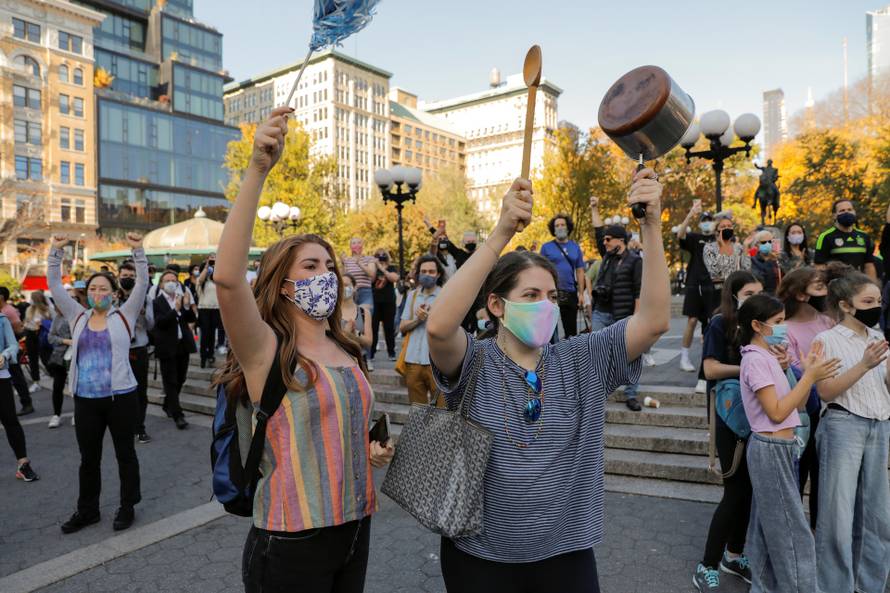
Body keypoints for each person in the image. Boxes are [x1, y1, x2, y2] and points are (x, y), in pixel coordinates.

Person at [424, 168, 669, 592]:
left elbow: (653, 321)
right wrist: (500, 233)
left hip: (565, 555)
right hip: (479, 557)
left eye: (552, 296)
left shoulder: (582, 358)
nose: (546, 305)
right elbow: (439, 328)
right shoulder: (474, 362)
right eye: (531, 296)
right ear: (497, 306)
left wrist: (650, 227)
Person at [213, 107, 393, 593]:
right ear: (283, 283)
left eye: (329, 266)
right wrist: (257, 170)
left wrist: (378, 447)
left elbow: (357, 422)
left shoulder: (347, 347)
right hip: (290, 539)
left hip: (356, 526)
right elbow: (227, 280)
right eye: (311, 266)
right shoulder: (266, 350)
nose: (326, 276)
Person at [737, 294, 841, 593]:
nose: (784, 329)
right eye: (778, 322)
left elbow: (792, 406)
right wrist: (810, 375)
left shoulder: (766, 357)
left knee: (769, 530)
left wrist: (797, 370)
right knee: (792, 535)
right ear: (757, 325)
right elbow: (778, 411)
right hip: (770, 449)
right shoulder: (755, 360)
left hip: (778, 449)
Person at [48, 232, 147, 534]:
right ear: (86, 293)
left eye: (104, 288)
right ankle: (87, 510)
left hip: (120, 398)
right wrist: (56, 252)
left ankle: (127, 506)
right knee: (88, 459)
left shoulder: (125, 315)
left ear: (115, 294)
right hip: (86, 400)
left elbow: (142, 283)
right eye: (93, 288)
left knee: (125, 454)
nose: (98, 292)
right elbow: (53, 284)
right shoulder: (77, 315)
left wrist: (138, 250)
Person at [812, 271, 890, 593]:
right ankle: (833, 587)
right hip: (843, 424)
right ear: (846, 305)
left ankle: (870, 585)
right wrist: (864, 365)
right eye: (868, 302)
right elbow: (826, 392)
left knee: (878, 515)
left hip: (880, 423)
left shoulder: (878, 337)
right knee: (837, 517)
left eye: (879, 301)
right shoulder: (826, 340)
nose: (876, 307)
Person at [693, 270, 762, 591]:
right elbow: (709, 368)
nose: (755, 298)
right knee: (734, 490)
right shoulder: (721, 323)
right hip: (730, 415)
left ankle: (733, 556)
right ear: (734, 295)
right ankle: (707, 563)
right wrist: (750, 366)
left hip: (759, 414)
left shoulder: (761, 326)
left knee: (748, 492)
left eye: (759, 292)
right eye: (749, 293)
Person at [776, 266, 832, 526]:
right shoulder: (785, 329)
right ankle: (794, 533)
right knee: (797, 476)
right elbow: (794, 373)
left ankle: (819, 532)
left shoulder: (828, 321)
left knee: (822, 478)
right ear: (800, 294)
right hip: (804, 412)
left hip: (829, 408)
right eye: (819, 287)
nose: (826, 291)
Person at [589, 197, 644, 410]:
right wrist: (595, 207)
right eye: (604, 240)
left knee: (631, 354)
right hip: (601, 311)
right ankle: (597, 392)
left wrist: (637, 317)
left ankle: (631, 394)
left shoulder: (635, 261)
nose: (604, 242)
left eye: (608, 239)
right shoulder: (607, 257)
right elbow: (597, 230)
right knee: (597, 351)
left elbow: (638, 290)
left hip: (624, 315)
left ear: (620, 240)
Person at [399, 255, 445, 408]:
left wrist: (433, 317)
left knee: (441, 412)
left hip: (437, 364)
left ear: (438, 274)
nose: (427, 275)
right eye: (424, 271)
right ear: (418, 274)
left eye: (431, 271)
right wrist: (417, 320)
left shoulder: (445, 295)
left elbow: (452, 329)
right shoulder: (412, 296)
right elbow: (402, 327)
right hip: (413, 361)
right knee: (417, 412)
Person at [676, 200, 717, 373]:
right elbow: (680, 235)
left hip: (713, 287)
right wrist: (690, 215)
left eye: (709, 219)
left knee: (712, 324)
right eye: (703, 220)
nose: (706, 222)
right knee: (692, 321)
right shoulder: (695, 238)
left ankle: (709, 358)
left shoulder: (720, 239)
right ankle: (684, 357)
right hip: (694, 285)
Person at [152, 270, 195, 430]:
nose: (170, 282)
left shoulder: (181, 298)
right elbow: (160, 323)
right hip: (166, 347)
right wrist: (174, 310)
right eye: (167, 280)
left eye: (173, 280)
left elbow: (191, 319)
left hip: (182, 346)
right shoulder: (157, 302)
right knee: (170, 381)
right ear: (162, 283)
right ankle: (178, 415)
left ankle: (167, 404)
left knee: (181, 378)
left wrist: (185, 306)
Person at [0, 308, 38, 482]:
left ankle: (23, 464)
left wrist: (5, 355)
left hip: (1, 377)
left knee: (10, 420)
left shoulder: (2, 319)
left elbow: (13, 345)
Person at [118, 262, 154, 444]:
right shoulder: (112, 299)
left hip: (138, 348)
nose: (127, 279)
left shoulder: (144, 299)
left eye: (131, 277)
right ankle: (123, 425)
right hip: (119, 350)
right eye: (124, 276)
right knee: (120, 389)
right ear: (118, 277)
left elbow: (151, 324)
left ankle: (140, 427)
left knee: (140, 390)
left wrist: (142, 313)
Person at [540, 213, 586, 339]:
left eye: (562, 225)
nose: (560, 227)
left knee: (571, 332)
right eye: (557, 225)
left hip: (570, 292)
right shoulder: (546, 248)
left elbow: (580, 270)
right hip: (550, 293)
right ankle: (550, 356)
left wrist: (581, 293)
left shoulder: (575, 247)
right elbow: (540, 270)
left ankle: (571, 356)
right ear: (553, 229)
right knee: (549, 331)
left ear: (567, 227)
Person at [814, 199, 877, 279]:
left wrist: (873, 285)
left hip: (860, 285)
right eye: (842, 211)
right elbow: (819, 267)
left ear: (854, 212)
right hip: (836, 286)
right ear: (834, 215)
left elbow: (869, 265)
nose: (847, 213)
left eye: (849, 210)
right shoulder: (825, 237)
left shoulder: (864, 236)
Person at [342, 237, 377, 371]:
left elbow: (372, 275)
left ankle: (367, 357)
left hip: (365, 292)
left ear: (363, 245)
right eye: (353, 243)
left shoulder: (369, 259)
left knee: (364, 322)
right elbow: (344, 277)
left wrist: (360, 263)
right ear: (350, 246)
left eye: (358, 242)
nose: (356, 245)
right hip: (350, 294)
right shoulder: (347, 260)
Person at [0, 287, 33, 415]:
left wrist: (7, 334)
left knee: (17, 378)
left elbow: (19, 329)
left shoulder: (8, 311)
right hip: (7, 349)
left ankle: (27, 403)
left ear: (1, 297)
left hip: (10, 350)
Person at [46, 301, 73, 429]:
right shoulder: (57, 317)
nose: (56, 308)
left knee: (75, 386)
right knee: (57, 386)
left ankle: (77, 414)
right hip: (59, 357)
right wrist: (65, 341)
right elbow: (50, 337)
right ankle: (56, 414)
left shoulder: (75, 315)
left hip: (75, 355)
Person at [370, 250, 399, 362]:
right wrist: (374, 265)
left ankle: (391, 353)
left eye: (383, 254)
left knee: (389, 329)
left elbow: (394, 278)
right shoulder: (373, 268)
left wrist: (382, 268)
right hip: (375, 302)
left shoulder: (391, 267)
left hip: (388, 302)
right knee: (373, 328)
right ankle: (371, 353)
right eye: (378, 254)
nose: (381, 256)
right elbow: (371, 279)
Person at [196, 255, 223, 368]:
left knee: (212, 334)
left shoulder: (216, 282)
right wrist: (207, 266)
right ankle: (203, 356)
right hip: (204, 310)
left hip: (215, 310)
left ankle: (210, 354)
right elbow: (201, 278)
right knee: (205, 335)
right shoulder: (201, 283)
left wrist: (218, 265)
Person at [23, 290, 51, 391]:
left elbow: (50, 323)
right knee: (33, 359)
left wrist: (42, 323)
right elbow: (26, 323)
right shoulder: (29, 309)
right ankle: (36, 381)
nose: (31, 300)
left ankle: (54, 375)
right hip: (30, 334)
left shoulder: (47, 310)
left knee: (45, 357)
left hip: (42, 335)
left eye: (32, 298)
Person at [341, 274, 372, 352]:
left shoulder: (364, 313)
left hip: (359, 360)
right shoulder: (331, 313)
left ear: (355, 287)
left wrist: (355, 333)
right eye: (340, 285)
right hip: (337, 361)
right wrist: (345, 333)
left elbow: (369, 342)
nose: (343, 288)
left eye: (346, 285)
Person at [749, 229, 781, 295]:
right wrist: (769, 260)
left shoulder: (778, 259)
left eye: (770, 242)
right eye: (763, 242)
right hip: (764, 298)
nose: (767, 244)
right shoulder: (753, 261)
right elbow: (760, 281)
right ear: (757, 245)